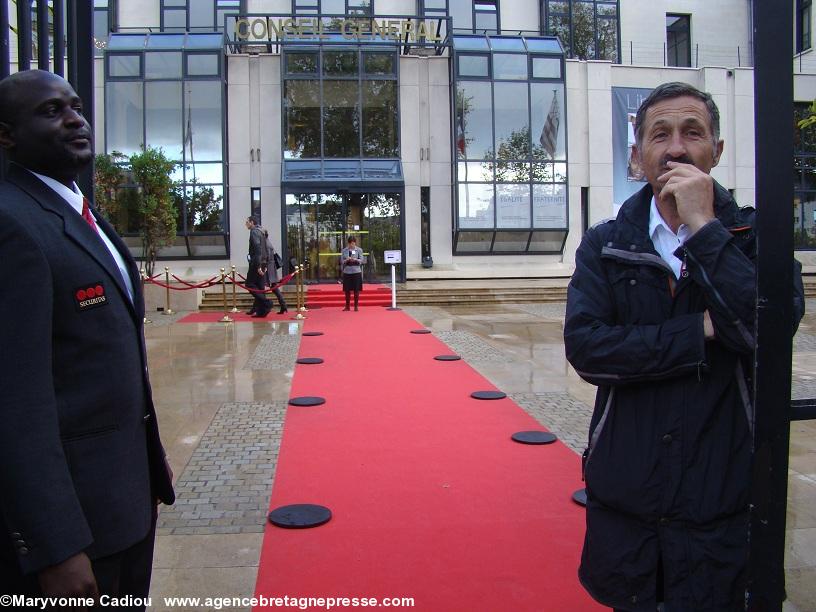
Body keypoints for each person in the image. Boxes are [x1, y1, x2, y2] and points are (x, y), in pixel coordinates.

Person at [564, 82, 804, 611]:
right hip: (629, 499)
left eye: (692, 133)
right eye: (660, 135)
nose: (675, 148)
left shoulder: (759, 237)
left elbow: (767, 331)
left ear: (716, 151)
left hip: (721, 500)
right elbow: (588, 349)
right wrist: (699, 331)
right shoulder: (606, 244)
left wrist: (702, 226)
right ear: (637, 155)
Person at [0, 70, 174, 603]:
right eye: (51, 111)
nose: (75, 119)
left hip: (125, 503)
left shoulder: (77, 209)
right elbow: (16, 402)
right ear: (6, 135)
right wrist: (55, 546)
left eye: (75, 106)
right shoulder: (12, 223)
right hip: (77, 531)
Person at [244, 215, 272, 318]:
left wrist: (258, 265)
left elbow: (257, 248)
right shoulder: (262, 231)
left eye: (247, 222)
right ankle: (262, 311)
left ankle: (266, 303)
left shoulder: (254, 232)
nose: (245, 224)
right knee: (260, 287)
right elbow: (267, 248)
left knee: (249, 284)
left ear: (252, 222)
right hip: (263, 262)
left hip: (256, 262)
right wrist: (265, 264)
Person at [262, 228, 288, 314]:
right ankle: (283, 305)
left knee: (261, 287)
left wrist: (263, 266)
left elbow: (267, 257)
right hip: (271, 267)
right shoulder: (268, 242)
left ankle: (262, 308)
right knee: (274, 288)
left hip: (268, 268)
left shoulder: (265, 243)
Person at [340, 235, 365, 311]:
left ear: (355, 243)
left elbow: (361, 260)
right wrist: (347, 260)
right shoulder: (344, 250)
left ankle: (356, 306)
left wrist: (356, 260)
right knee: (347, 290)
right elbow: (342, 261)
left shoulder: (359, 250)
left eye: (353, 244)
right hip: (347, 272)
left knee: (356, 289)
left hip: (356, 271)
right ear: (348, 243)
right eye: (350, 244)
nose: (352, 245)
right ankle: (347, 306)